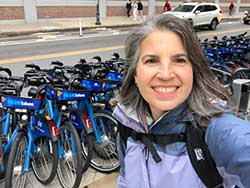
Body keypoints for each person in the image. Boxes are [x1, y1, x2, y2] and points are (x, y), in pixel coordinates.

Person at [113, 14, 250, 188]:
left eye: (179, 60)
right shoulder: (128, 126)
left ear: (193, 70)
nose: (165, 74)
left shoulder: (217, 133)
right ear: (135, 74)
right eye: (151, 61)